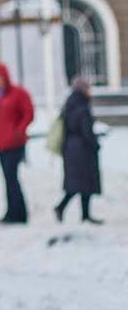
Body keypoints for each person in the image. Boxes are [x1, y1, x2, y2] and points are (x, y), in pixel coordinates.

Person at [0, 63, 34, 224]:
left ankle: (19, 214)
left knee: (12, 177)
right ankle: (12, 212)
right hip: (0, 144)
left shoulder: (18, 94)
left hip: (15, 143)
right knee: (8, 178)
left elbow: (28, 113)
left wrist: (19, 130)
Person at [54, 78, 102, 224]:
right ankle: (66, 209)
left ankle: (82, 214)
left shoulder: (69, 104)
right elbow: (86, 130)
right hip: (82, 150)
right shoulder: (82, 106)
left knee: (78, 183)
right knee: (84, 182)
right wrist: (95, 145)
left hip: (70, 148)